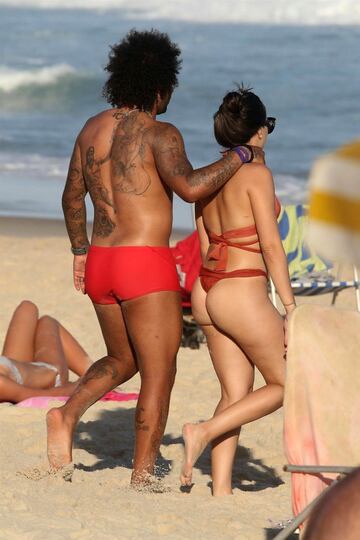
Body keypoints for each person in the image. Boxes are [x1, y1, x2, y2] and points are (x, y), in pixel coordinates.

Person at [46, 29, 260, 487]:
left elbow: (71, 197)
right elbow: (190, 188)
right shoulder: (160, 132)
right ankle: (143, 474)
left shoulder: (91, 128)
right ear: (160, 86)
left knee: (122, 360)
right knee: (159, 374)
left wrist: (80, 253)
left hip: (102, 259)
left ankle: (66, 415)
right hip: (144, 264)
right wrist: (242, 154)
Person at [180, 86, 296, 494]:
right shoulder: (257, 176)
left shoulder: (209, 178)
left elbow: (207, 245)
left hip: (206, 289)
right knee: (285, 384)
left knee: (235, 392)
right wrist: (289, 307)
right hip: (240, 291)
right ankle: (202, 431)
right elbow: (270, 246)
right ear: (260, 133)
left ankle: (222, 489)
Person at [0, 300, 92, 403]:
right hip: (51, 375)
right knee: (47, 322)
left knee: (27, 308)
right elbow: (33, 395)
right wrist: (75, 387)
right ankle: (95, 374)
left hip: (16, 367)